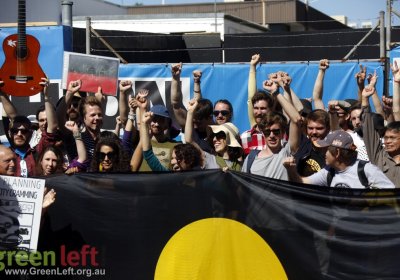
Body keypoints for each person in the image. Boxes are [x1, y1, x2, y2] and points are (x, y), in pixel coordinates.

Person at [283, 130, 395, 188]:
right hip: (337, 230)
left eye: (325, 149)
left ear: (337, 153)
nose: (322, 153)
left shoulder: (367, 170)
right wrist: (291, 170)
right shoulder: (328, 171)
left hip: (363, 230)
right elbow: (302, 182)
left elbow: (391, 197)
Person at [185, 99, 243, 171]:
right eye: (216, 113)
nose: (214, 139)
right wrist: (190, 112)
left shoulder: (241, 165)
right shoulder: (210, 159)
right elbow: (189, 141)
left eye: (219, 136)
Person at [241, 54, 273, 155]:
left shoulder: (279, 134)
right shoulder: (245, 137)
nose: (259, 112)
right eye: (256, 108)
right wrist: (252, 67)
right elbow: (251, 98)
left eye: (263, 108)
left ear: (271, 109)